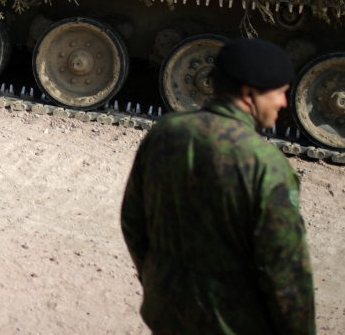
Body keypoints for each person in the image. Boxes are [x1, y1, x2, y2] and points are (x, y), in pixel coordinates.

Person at [120, 37, 315, 335]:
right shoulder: (266, 165)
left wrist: (158, 281)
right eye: (279, 93)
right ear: (249, 95)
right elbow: (285, 274)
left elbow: (133, 221)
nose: (284, 103)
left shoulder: (164, 133)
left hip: (167, 315)